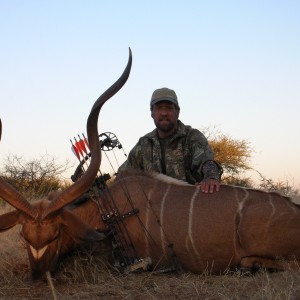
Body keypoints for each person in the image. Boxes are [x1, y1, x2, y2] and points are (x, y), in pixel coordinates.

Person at [119, 87, 222, 193]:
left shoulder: (192, 136)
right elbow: (124, 174)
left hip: (189, 205)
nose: (164, 113)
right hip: (154, 207)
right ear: (152, 113)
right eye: (159, 108)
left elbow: (206, 162)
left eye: (168, 108)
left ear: (177, 111)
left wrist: (211, 176)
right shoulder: (144, 143)